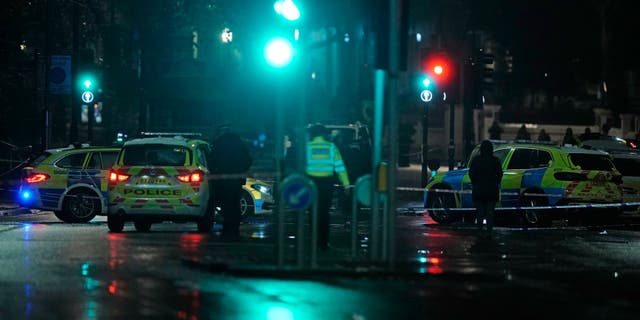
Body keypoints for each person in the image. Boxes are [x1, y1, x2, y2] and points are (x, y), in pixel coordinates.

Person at [305, 124, 350, 250]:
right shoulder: (331, 147)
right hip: (326, 184)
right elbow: (340, 168)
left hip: (311, 183)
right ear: (324, 134)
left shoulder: (307, 147)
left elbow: (302, 167)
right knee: (324, 213)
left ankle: (313, 241)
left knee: (312, 212)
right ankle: (323, 243)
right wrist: (346, 184)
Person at [209, 123, 253, 239]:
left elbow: (212, 161)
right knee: (235, 202)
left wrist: (216, 171)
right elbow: (248, 160)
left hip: (223, 179)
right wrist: (240, 170)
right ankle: (235, 226)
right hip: (237, 179)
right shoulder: (239, 142)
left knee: (225, 203)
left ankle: (227, 226)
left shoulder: (218, 142)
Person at [468, 140, 503, 238]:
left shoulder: (476, 160)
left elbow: (471, 174)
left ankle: (479, 230)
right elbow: (499, 174)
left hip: (479, 189)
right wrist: (495, 182)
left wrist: (476, 183)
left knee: (479, 212)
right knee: (490, 212)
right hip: (491, 190)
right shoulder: (495, 160)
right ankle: (489, 231)